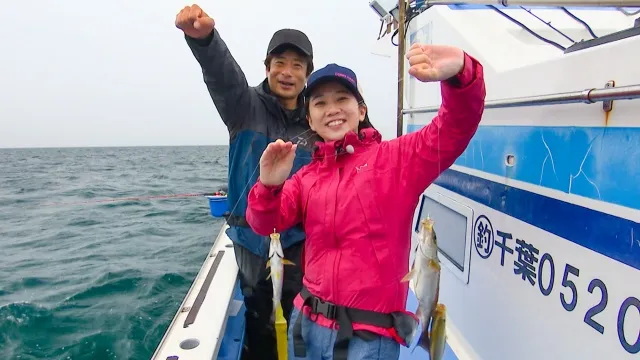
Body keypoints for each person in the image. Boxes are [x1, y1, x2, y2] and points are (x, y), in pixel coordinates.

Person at [245, 42, 486, 360]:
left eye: (342, 99)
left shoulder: (398, 159)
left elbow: (455, 127)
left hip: (368, 340)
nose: (332, 109)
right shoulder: (305, 179)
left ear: (361, 111)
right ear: (310, 120)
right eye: (320, 103)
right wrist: (269, 185)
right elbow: (265, 224)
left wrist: (462, 76)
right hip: (305, 325)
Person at [175, 5, 316, 360]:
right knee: (260, 317)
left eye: (297, 66)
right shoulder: (243, 106)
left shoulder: (316, 121)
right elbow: (222, 75)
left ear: (307, 75)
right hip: (253, 242)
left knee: (301, 314)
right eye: (279, 63)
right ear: (267, 68)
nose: (287, 73)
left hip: (300, 240)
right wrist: (205, 40)